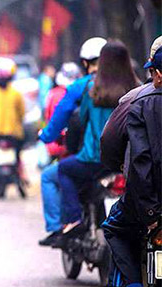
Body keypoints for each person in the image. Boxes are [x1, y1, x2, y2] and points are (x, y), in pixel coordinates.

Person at [41, 39, 138, 242]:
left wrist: (47, 136)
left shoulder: (89, 89)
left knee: (62, 170)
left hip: (95, 158)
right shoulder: (137, 88)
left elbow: (77, 119)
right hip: (130, 160)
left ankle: (73, 220)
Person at [102, 47, 162, 287]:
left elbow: (141, 161)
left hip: (148, 198)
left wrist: (150, 211)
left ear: (157, 74)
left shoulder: (138, 102)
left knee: (114, 226)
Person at [100, 35, 161, 173]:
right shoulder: (137, 93)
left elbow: (108, 140)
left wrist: (122, 167)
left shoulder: (136, 98)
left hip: (145, 187)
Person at [38, 62, 82, 246]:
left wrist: (46, 136)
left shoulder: (71, 92)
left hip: (84, 157)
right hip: (115, 159)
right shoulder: (130, 87)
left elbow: (54, 124)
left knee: (51, 176)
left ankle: (60, 226)